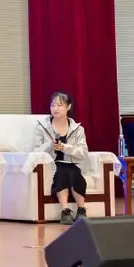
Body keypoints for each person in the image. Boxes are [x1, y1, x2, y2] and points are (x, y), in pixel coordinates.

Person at [31, 91, 90, 225]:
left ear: (68, 107)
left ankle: (81, 209)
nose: (55, 109)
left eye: (59, 105)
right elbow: (35, 151)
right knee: (62, 170)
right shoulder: (42, 127)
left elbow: (83, 152)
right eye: (53, 105)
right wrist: (49, 146)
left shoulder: (78, 129)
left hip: (73, 165)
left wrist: (65, 148)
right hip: (51, 165)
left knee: (74, 172)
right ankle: (65, 210)